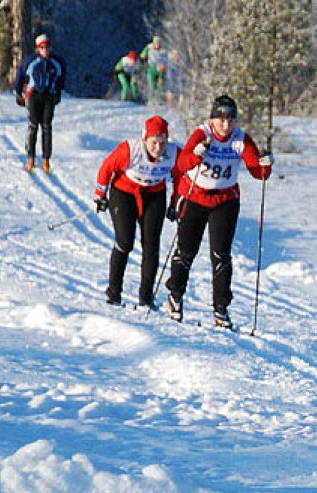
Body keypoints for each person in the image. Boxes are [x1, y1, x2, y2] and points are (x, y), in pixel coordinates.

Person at [165, 95, 273, 329]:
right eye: (221, 119)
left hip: (224, 200)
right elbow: (182, 165)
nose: (226, 125)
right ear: (212, 119)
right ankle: (175, 296)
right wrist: (197, 154)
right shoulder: (202, 134)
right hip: (195, 196)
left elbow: (258, 173)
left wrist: (266, 163)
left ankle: (221, 309)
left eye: (230, 119)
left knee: (221, 256)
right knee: (186, 252)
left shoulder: (240, 139)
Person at [94, 115, 181, 308]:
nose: (158, 148)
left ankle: (146, 297)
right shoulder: (130, 149)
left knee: (151, 247)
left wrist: (175, 203)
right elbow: (107, 168)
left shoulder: (174, 153)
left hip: (155, 195)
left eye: (162, 143)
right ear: (145, 140)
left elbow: (181, 176)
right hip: (124, 193)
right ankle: (114, 292)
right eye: (154, 143)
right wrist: (100, 194)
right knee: (125, 241)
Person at [14, 34, 66, 174]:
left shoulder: (56, 62)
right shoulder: (30, 61)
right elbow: (20, 75)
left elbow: (61, 77)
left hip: (49, 96)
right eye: (43, 47)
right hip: (33, 95)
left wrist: (58, 93)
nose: (46, 50)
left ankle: (46, 159)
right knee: (33, 126)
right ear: (38, 48)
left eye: (48, 47)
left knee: (47, 127)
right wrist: (18, 93)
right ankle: (31, 158)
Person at [140, 36, 167, 104]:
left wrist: (163, 64)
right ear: (153, 43)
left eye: (158, 43)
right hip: (151, 68)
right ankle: (150, 100)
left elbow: (166, 58)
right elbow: (142, 55)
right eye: (156, 43)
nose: (157, 45)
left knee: (160, 85)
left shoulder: (163, 50)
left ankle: (160, 101)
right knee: (151, 85)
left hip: (160, 69)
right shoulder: (149, 47)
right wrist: (143, 55)